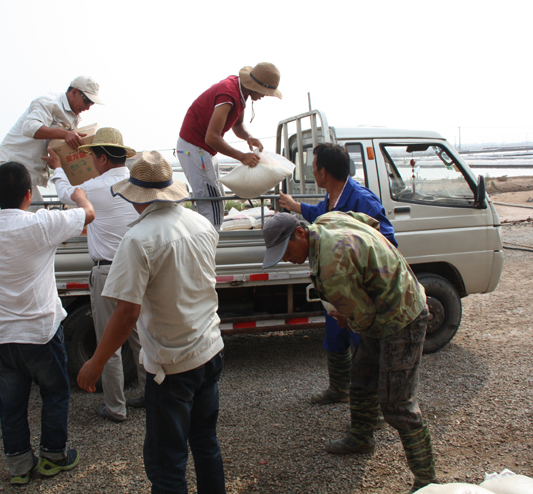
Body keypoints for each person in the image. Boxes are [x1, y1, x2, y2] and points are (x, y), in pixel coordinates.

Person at [77, 151, 226, 494]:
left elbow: (126, 314)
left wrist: (96, 362)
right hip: (210, 349)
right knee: (206, 443)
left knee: (167, 462)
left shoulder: (138, 239)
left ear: (136, 196)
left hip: (172, 364)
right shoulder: (200, 223)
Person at [261, 211, 437, 493]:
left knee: (397, 403)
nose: (285, 258)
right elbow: (370, 223)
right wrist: (375, 265)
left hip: (402, 316)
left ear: (300, 233)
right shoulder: (327, 221)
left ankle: (427, 480)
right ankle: (361, 437)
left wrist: (347, 318)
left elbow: (363, 318)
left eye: (286, 251)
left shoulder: (333, 268)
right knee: (362, 378)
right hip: (382, 306)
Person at [0, 162, 94, 486]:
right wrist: (79, 195)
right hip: (39, 333)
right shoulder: (42, 224)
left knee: (11, 405)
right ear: (29, 194)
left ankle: (19, 467)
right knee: (55, 393)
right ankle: (53, 456)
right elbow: (88, 215)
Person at [278, 143, 397, 406]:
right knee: (335, 336)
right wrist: (295, 206)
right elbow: (320, 214)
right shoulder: (332, 198)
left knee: (363, 342)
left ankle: (370, 406)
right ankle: (339, 388)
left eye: (313, 165)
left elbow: (388, 242)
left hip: (360, 288)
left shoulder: (362, 200)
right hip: (339, 287)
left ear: (324, 172)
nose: (312, 170)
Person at [44, 128, 146, 423]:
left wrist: (58, 168)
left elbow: (66, 193)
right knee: (139, 337)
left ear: (102, 158)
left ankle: (116, 407)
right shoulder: (138, 184)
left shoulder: (94, 187)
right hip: (138, 269)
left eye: (92, 157)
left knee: (108, 342)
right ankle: (151, 395)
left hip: (108, 271)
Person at [176, 63, 282, 230]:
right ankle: (209, 242)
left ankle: (212, 237)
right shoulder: (228, 94)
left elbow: (238, 125)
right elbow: (211, 137)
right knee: (211, 203)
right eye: (265, 92)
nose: (264, 96)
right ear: (256, 86)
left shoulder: (241, 92)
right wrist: (242, 157)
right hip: (194, 147)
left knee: (218, 198)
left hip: (204, 149)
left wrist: (248, 136)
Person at [0, 75, 103, 207]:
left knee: (35, 210)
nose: (88, 107)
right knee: (34, 212)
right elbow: (29, 127)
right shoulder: (48, 102)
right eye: (87, 101)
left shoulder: (74, 117)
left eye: (91, 103)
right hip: (15, 163)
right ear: (74, 92)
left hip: (32, 168)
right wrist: (65, 134)